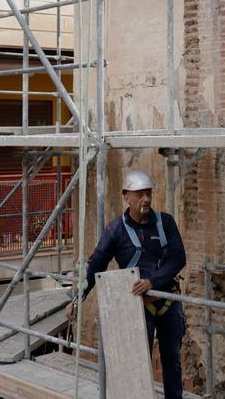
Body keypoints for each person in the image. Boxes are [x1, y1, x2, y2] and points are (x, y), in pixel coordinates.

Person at [66, 171, 187, 398]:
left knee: (172, 359)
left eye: (148, 193)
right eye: (140, 194)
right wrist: (77, 299)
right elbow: (96, 264)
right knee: (138, 361)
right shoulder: (116, 231)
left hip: (167, 299)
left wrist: (153, 281)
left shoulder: (165, 223)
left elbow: (178, 258)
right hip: (139, 305)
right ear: (126, 197)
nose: (146, 199)